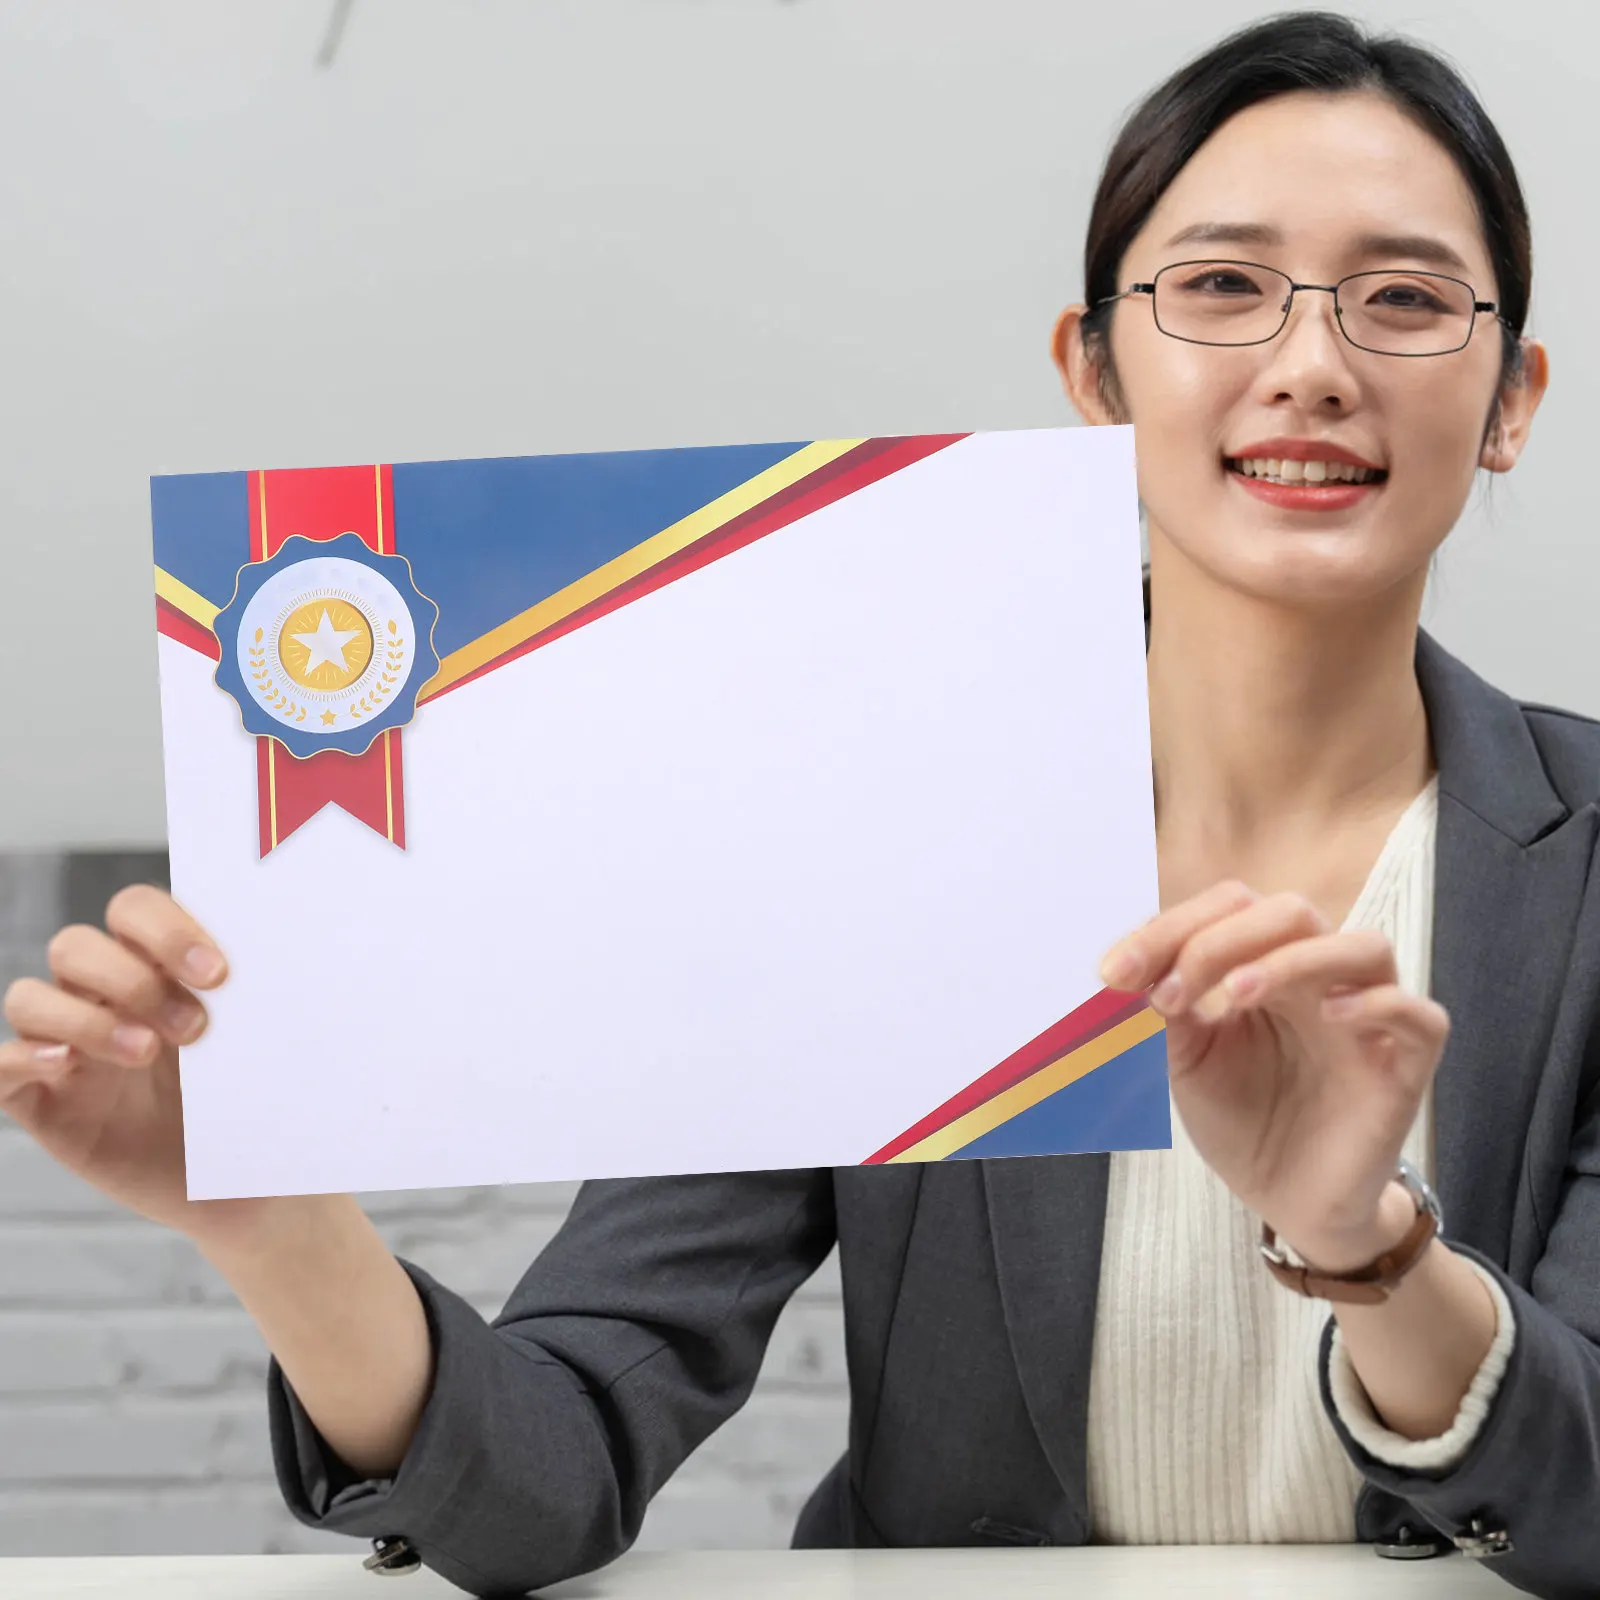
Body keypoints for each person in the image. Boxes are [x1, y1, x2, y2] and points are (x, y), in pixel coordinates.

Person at [3, 11, 1596, 1598]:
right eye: (1223, 288)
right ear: (1094, 374)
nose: (1310, 367)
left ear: (1513, 400)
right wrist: (271, 1216)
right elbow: (550, 1476)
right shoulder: (865, 813)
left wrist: (1364, 1247)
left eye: (1402, 300)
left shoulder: (1583, 868)